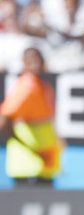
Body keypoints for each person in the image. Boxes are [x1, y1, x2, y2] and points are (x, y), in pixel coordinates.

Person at [0, 46, 63, 187]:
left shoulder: (43, 87)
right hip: (29, 165)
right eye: (30, 60)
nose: (35, 64)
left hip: (43, 164)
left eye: (38, 59)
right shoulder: (26, 86)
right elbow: (3, 121)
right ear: (23, 64)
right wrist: (32, 150)